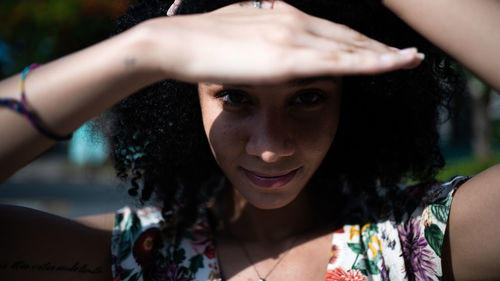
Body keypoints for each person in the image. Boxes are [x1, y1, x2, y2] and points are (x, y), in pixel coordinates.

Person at [0, 0, 499, 280]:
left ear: (355, 97)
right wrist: (148, 47)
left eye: (307, 98)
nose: (270, 146)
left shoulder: (411, 241)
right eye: (235, 96)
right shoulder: (136, 254)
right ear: (183, 93)